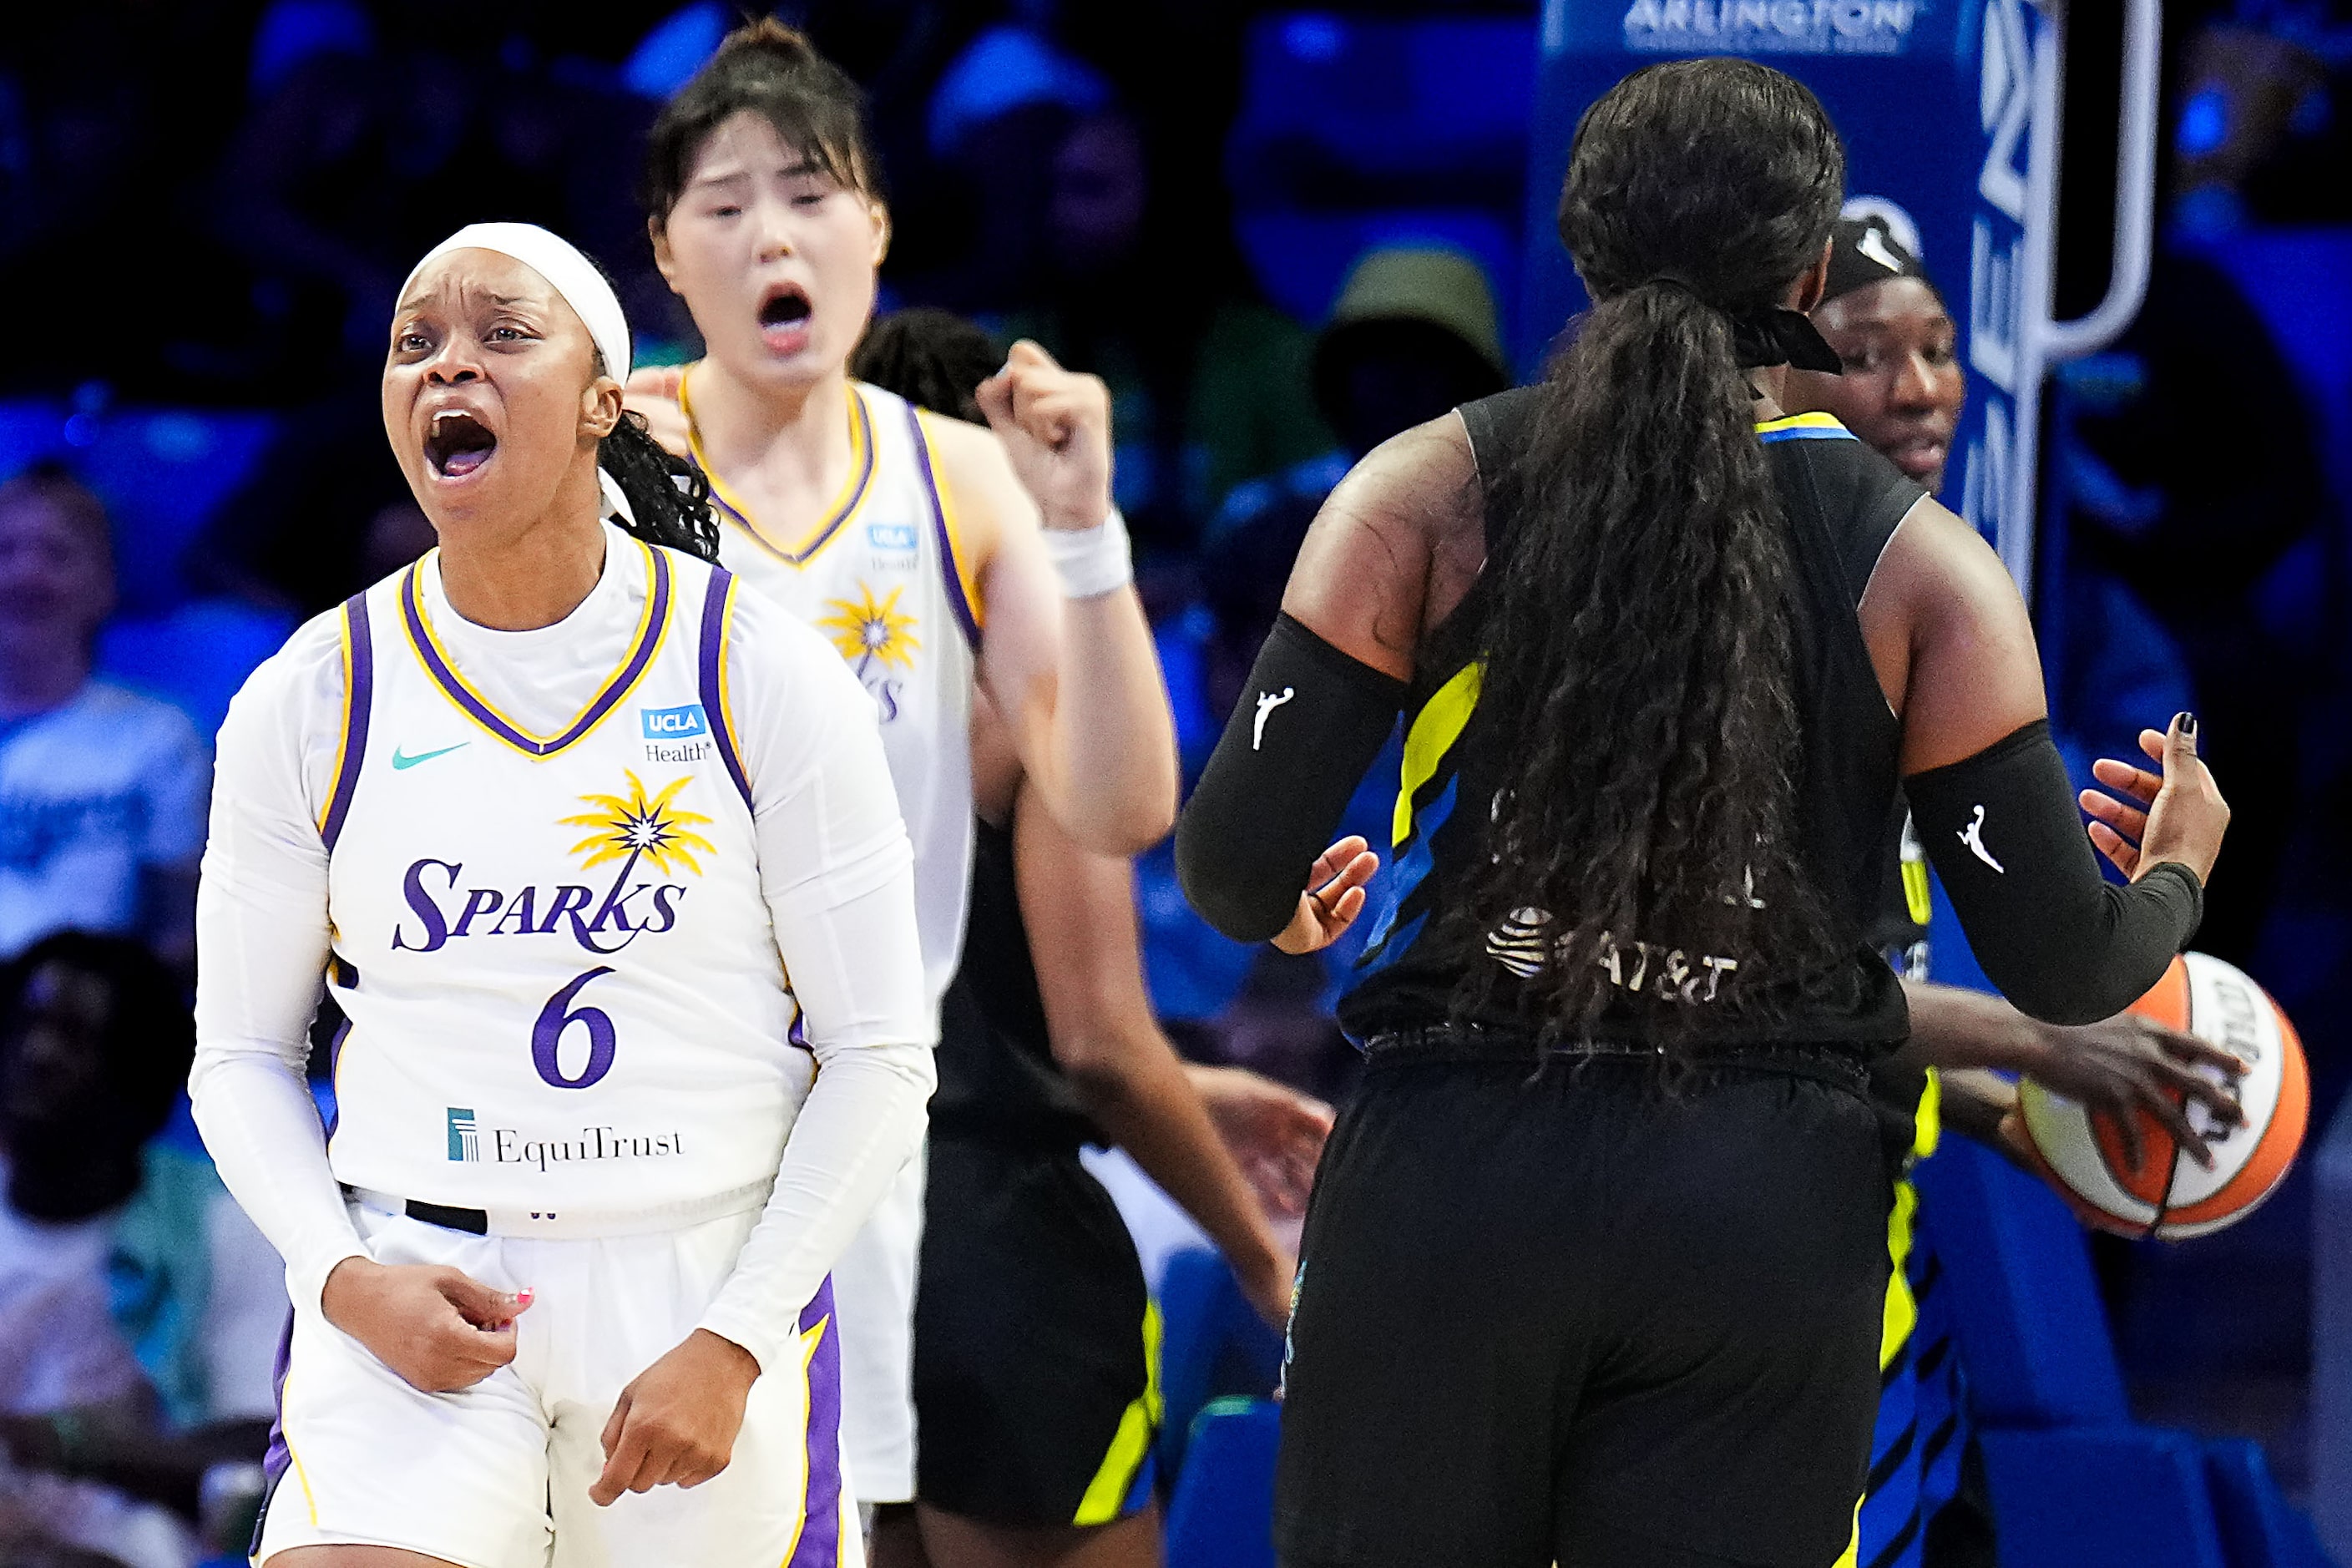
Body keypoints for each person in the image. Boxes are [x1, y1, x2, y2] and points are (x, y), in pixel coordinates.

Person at [1173, 59, 2228, 1568]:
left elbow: (1224, 869)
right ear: (1808, 274)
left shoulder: (1418, 488)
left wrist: (1285, 899)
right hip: (1763, 1200)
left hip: (1453, 1164)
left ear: (1579, 246)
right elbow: (2073, 968)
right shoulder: (1929, 571)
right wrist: (2176, 864)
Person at [190, 221, 935, 1567]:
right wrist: (340, 1275)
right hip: (413, 1275)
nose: (444, 367)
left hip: (699, 1286)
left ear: (604, 397)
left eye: (501, 335)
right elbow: (238, 1056)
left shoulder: (755, 671)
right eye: (415, 343)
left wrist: (736, 1336)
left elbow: (879, 1053)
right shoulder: (312, 693)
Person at [622, 19, 1180, 1521]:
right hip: (637, 1144)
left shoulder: (963, 480)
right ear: (665, 255)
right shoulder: (603, 464)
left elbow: (1120, 802)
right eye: (722, 207)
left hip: (879, 1152)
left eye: (806, 194)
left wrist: (1085, 529)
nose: (769, 234)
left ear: (873, 226)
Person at [852, 307, 1330, 1568]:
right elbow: (1103, 1044)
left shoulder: (782, 701)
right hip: (1000, 1266)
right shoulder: (1041, 687)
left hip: (829, 1255)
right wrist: (1262, 1259)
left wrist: (1199, 1086)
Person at [0, 470, 209, 970]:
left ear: (105, 585)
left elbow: (181, 928)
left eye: (57, 553)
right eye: (5, 551)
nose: (27, 574)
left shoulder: (159, 738)